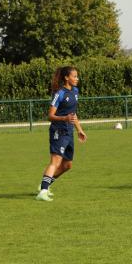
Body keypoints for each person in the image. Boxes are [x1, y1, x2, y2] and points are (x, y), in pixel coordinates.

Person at [36, 66, 87, 201]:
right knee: (56, 161)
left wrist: (79, 129)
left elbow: (73, 114)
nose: (77, 79)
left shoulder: (75, 91)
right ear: (66, 78)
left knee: (67, 165)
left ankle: (44, 185)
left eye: (77, 76)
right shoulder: (59, 93)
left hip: (69, 131)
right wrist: (64, 118)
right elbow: (50, 115)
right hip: (58, 131)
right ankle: (43, 192)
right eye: (74, 76)